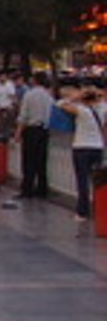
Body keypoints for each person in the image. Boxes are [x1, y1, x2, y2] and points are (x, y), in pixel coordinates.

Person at [57, 79, 106, 224]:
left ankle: (82, 212)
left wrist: (77, 96)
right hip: (97, 148)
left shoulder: (82, 111)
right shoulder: (103, 109)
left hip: (81, 148)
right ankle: (99, 210)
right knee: (98, 181)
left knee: (82, 181)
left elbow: (59, 104)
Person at [14, 72, 54, 199]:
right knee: (41, 161)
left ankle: (27, 189)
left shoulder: (29, 94)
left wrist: (18, 132)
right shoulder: (49, 96)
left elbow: (24, 115)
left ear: (35, 80)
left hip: (31, 130)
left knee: (28, 161)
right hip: (44, 130)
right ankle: (42, 189)